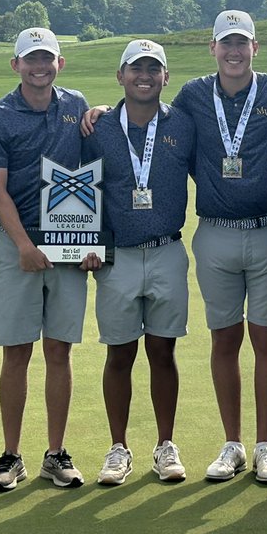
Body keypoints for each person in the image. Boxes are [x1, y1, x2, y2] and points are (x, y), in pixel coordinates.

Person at [170, 11, 267, 485]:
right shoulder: (190, 95)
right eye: (226, 43)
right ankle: (232, 444)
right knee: (224, 338)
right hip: (214, 232)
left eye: (242, 43)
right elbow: (150, 121)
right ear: (212, 49)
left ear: (255, 47)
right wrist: (99, 112)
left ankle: (266, 445)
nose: (234, 51)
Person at [0, 27, 91, 490]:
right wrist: (23, 245)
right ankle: (10, 456)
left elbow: (90, 174)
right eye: (30, 60)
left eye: (47, 59)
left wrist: (89, 244)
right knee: (16, 352)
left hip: (69, 242)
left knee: (59, 350)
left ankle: (56, 453)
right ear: (16, 65)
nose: (39, 67)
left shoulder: (76, 105)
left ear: (59, 63)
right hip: (17, 245)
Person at [83, 39, 196, 486]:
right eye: (136, 68)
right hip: (117, 257)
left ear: (166, 77)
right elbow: (83, 187)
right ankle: (118, 448)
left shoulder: (184, 125)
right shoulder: (97, 127)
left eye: (154, 69)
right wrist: (84, 241)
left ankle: (165, 445)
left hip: (167, 249)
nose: (144, 76)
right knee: (120, 352)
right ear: (120, 76)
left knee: (163, 351)